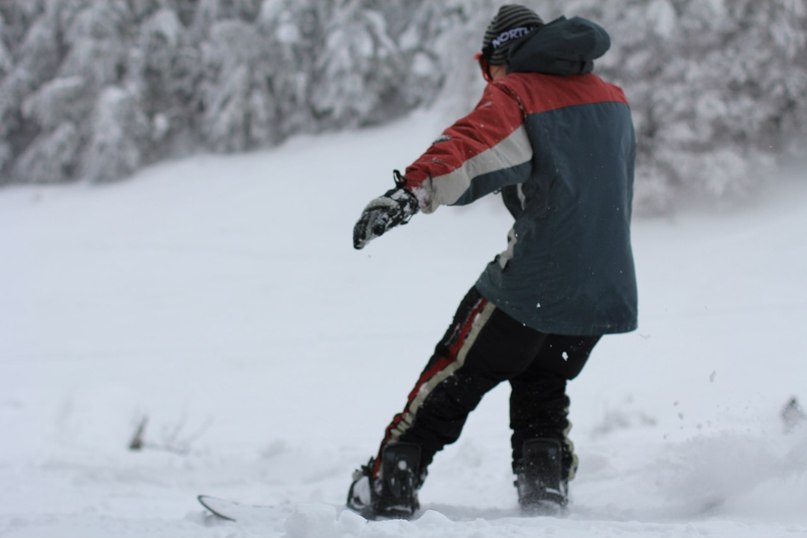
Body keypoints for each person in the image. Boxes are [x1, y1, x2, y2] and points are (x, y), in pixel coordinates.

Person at [348, 4, 637, 519]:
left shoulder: (520, 93)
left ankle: (388, 485)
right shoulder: (611, 99)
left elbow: (474, 146)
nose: (489, 79)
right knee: (543, 385)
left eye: (488, 67)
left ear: (503, 57)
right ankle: (544, 489)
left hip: (534, 284)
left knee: (451, 375)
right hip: (602, 288)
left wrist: (410, 193)